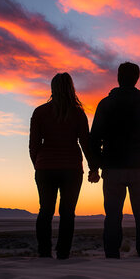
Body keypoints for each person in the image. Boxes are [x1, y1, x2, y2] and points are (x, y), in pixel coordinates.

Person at [89, 62, 140, 258]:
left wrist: (96, 166)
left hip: (113, 168)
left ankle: (112, 255)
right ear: (137, 78)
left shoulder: (106, 104)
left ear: (118, 78)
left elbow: (94, 138)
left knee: (113, 215)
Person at [29, 72, 95, 259]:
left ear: (52, 88)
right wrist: (93, 167)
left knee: (46, 210)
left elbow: (33, 145)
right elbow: (86, 144)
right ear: (71, 88)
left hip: (45, 168)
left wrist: (39, 164)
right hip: (71, 169)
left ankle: (44, 252)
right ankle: (63, 253)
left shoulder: (40, 112)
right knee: (67, 213)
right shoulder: (78, 113)